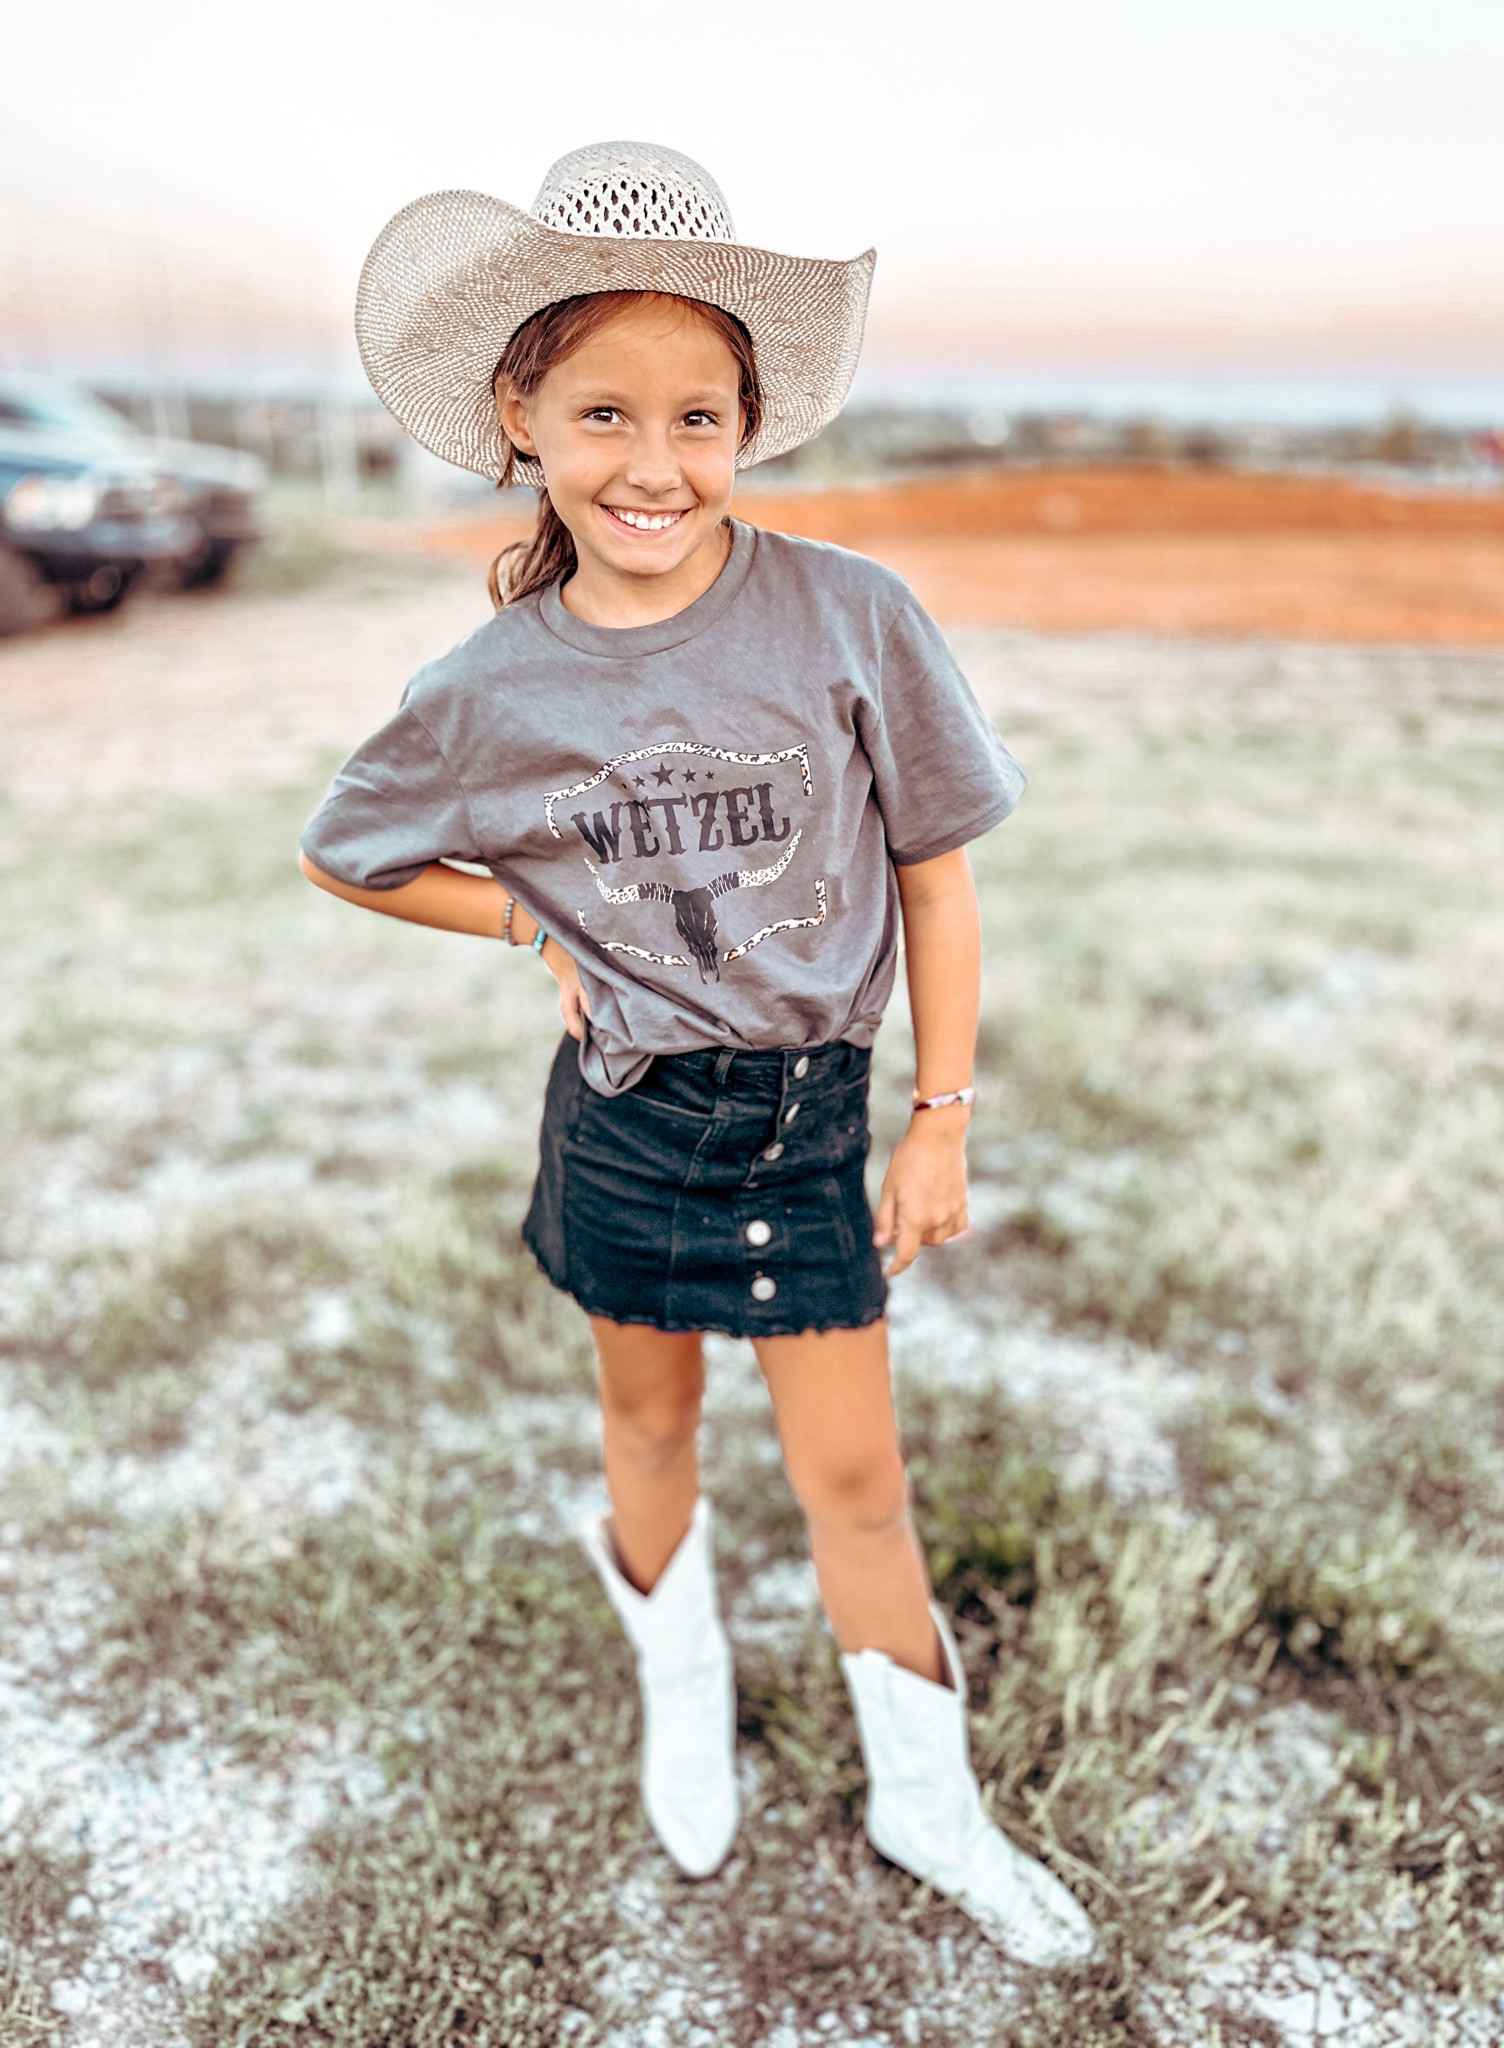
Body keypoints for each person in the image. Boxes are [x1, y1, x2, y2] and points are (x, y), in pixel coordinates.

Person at [299, 140, 1094, 1970]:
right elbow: (350, 850)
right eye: (602, 412)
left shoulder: (848, 615)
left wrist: (942, 1116)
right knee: (646, 1425)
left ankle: (927, 1799)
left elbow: (936, 878)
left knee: (859, 1481)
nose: (652, 465)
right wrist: (529, 924)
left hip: (816, 1124)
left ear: (750, 421)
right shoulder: (492, 685)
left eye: (699, 416)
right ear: (519, 416)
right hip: (634, 1128)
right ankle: (685, 1691)